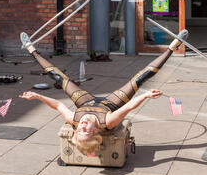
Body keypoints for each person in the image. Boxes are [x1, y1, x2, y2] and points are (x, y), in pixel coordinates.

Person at [19, 36, 184, 155]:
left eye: (79, 131)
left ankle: (30, 49)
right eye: (86, 131)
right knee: (140, 79)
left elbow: (58, 105)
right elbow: (129, 106)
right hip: (109, 105)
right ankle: (172, 47)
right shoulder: (108, 122)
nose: (82, 127)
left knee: (59, 79)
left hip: (85, 103)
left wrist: (37, 97)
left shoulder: (74, 120)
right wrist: (146, 95)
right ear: (95, 132)